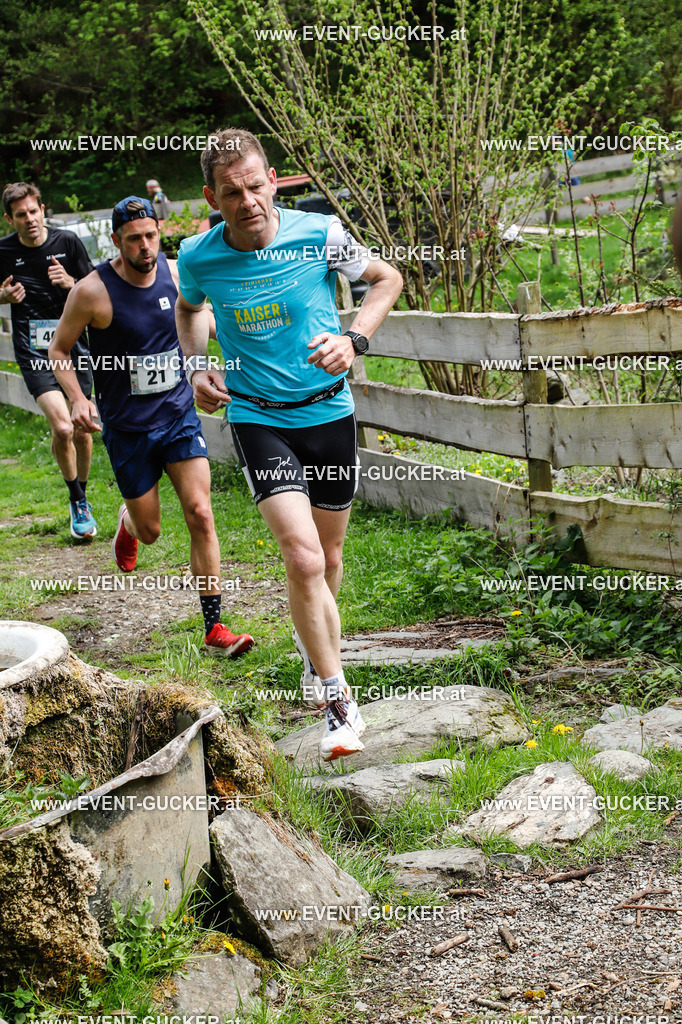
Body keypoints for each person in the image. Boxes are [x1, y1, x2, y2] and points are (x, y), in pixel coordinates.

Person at [175, 128, 403, 759]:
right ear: (210, 197)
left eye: (254, 186)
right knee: (302, 559)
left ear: (271, 179)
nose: (246, 201)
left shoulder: (320, 234)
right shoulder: (196, 255)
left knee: (327, 562)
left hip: (328, 413)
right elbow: (190, 309)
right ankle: (338, 703)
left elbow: (387, 278)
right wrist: (196, 364)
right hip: (258, 416)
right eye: (230, 192)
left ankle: (312, 651)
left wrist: (354, 339)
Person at [48, 195, 254, 657]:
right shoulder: (91, 292)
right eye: (134, 239)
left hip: (178, 415)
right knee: (151, 530)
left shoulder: (178, 273)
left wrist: (225, 348)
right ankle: (128, 521)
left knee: (201, 513)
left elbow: (200, 311)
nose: (145, 247)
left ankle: (214, 628)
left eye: (151, 236)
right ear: (117, 242)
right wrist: (78, 398)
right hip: (127, 428)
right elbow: (59, 351)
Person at [0, 181, 97, 539]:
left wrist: (70, 282)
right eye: (20, 215)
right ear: (10, 219)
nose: (29, 219)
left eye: (33, 211)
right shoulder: (4, 252)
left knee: (83, 430)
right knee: (62, 426)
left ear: (43, 210)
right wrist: (3, 295)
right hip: (34, 352)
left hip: (73, 349)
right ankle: (77, 501)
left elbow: (94, 286)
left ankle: (81, 495)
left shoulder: (67, 243)